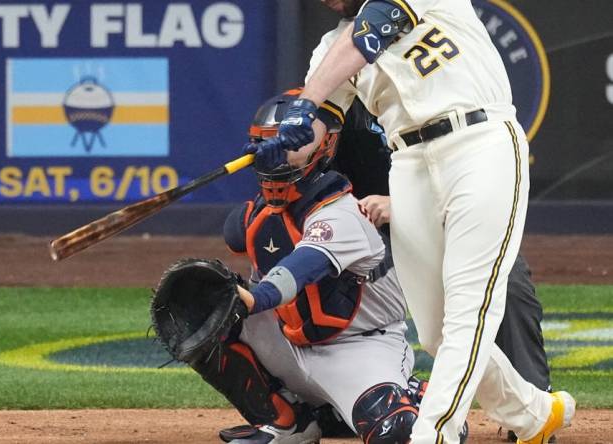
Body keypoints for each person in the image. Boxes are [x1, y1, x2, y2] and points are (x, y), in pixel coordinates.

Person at [242, 1, 574, 443]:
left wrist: (308, 99)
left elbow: (372, 27)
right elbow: (321, 124)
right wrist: (280, 151)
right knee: (436, 331)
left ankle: (434, 433)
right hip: (410, 164)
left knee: (467, 312)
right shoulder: (327, 52)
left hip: (478, 142)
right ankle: (534, 413)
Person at [211, 88, 446, 444]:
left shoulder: (344, 212)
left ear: (323, 146)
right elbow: (235, 234)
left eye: (287, 147)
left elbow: (303, 266)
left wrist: (257, 298)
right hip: (292, 346)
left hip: (360, 349)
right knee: (199, 302)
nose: (277, 159)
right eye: (268, 147)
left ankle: (421, 400)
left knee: (395, 433)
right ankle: (289, 422)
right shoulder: (259, 214)